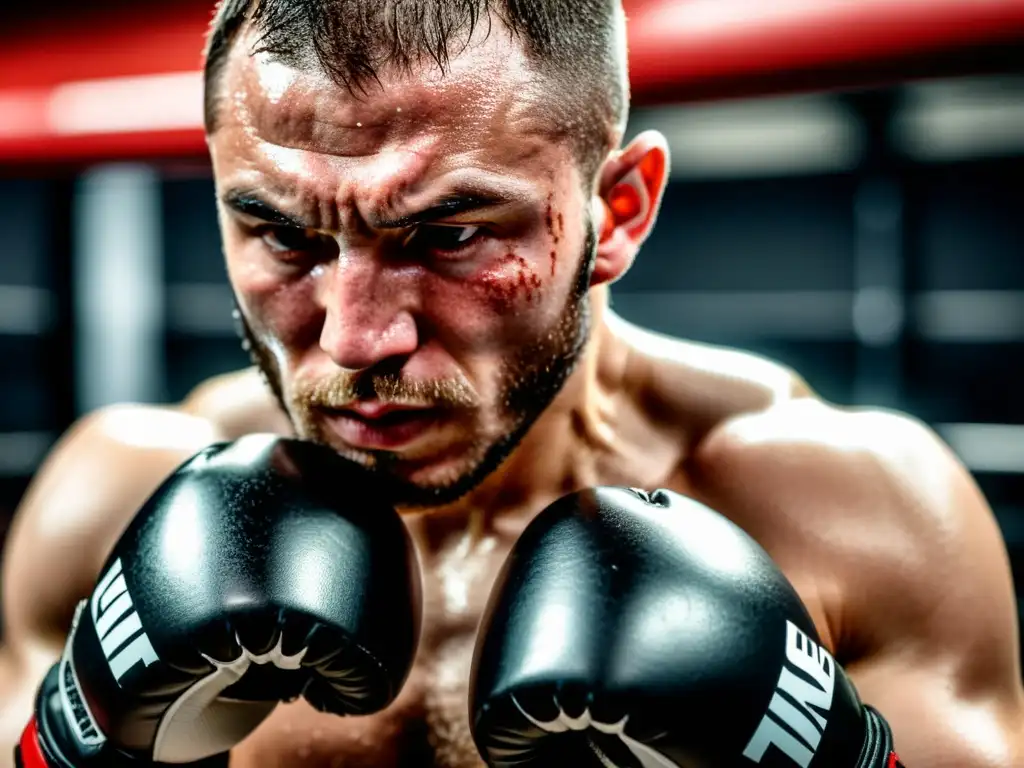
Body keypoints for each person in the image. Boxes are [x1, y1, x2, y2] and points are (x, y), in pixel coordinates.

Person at [1, 0, 1022, 764]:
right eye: (278, 232)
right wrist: (77, 733)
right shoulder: (113, 500)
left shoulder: (853, 515)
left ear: (617, 210)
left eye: (447, 235)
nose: (354, 340)